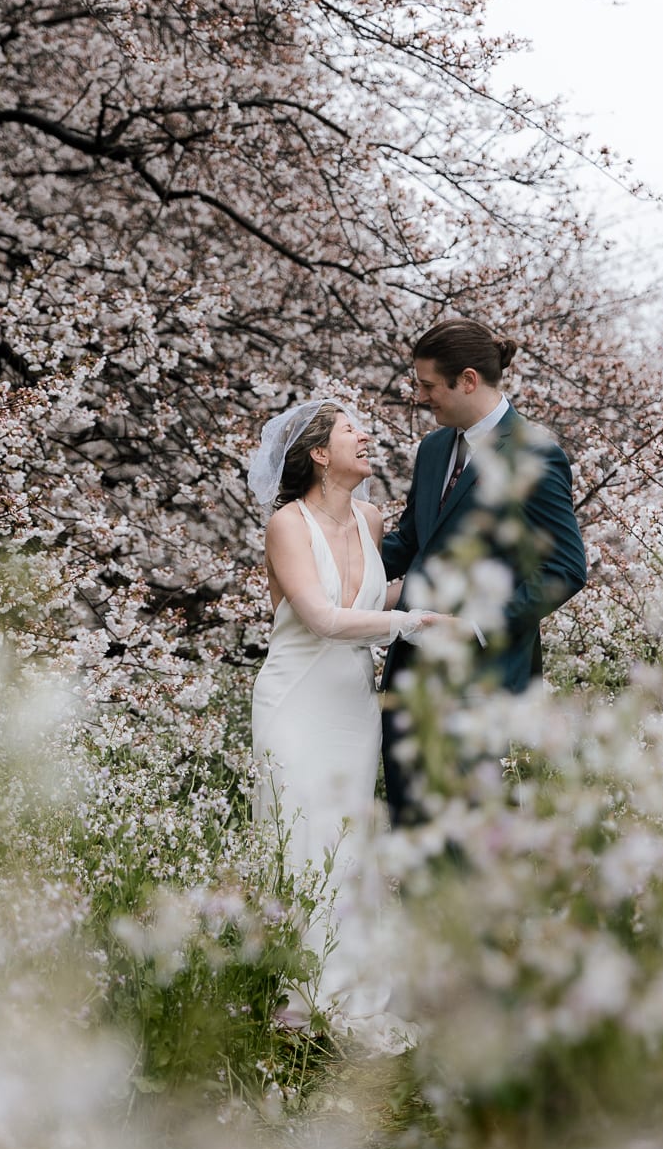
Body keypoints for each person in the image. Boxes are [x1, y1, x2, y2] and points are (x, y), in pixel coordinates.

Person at [247, 399, 440, 1039]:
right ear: (319, 454)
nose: (366, 435)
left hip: (354, 703)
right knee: (304, 837)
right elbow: (324, 618)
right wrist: (413, 622)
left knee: (348, 845)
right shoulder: (287, 524)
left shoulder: (371, 517)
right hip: (297, 698)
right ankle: (304, 993)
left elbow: (370, 599)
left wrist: (437, 591)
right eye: (350, 429)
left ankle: (354, 986)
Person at [381, 318, 588, 822]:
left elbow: (566, 567)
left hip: (483, 680)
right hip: (409, 673)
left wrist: (475, 627)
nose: (420, 397)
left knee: (468, 836)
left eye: (428, 385)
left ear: (468, 380)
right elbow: (411, 540)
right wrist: (329, 566)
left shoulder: (536, 453)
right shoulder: (433, 449)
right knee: (410, 830)